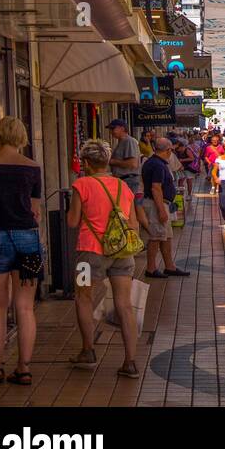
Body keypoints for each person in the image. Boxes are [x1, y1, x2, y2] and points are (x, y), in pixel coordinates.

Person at [0, 116, 42, 387]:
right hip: (27, 237)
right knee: (25, 307)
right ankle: (23, 368)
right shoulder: (32, 167)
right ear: (22, 136)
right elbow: (35, 208)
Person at [66, 139, 140, 378]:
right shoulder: (122, 187)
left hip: (90, 252)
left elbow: (72, 221)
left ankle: (88, 351)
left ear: (86, 163)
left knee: (84, 297)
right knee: (124, 305)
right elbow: (133, 223)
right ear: (107, 161)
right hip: (121, 254)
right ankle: (130, 361)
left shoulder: (82, 184)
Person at [142, 137, 191, 279]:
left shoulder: (155, 162)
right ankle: (151, 269)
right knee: (156, 237)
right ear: (168, 150)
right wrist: (161, 210)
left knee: (166, 236)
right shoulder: (157, 165)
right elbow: (155, 188)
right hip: (157, 204)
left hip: (163, 203)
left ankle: (169, 266)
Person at [107, 119, 148, 231]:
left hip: (128, 180)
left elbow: (132, 163)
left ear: (122, 128)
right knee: (129, 211)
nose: (111, 131)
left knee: (130, 212)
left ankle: (136, 239)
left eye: (113, 128)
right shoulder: (121, 142)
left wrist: (112, 161)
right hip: (124, 180)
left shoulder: (128, 141)